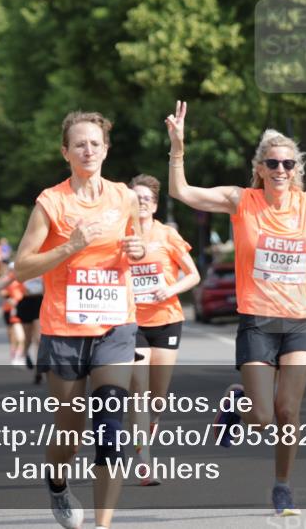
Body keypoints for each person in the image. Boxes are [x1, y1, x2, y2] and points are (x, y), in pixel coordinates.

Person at [165, 100, 306, 516]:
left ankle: (283, 487)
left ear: (295, 170)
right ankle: (238, 401)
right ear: (260, 168)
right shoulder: (240, 200)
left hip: (300, 320)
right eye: (273, 163)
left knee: (288, 411)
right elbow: (182, 192)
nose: (281, 170)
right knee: (262, 417)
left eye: (287, 164)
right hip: (258, 322)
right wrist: (178, 148)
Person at [14, 111, 146, 529]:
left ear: (106, 149)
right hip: (64, 331)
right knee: (68, 438)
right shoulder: (51, 202)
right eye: (79, 144)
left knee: (110, 427)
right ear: (65, 152)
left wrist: (137, 250)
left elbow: (135, 239)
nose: (88, 150)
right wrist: (70, 245)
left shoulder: (124, 196)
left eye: (95, 143)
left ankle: (102, 524)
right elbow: (22, 268)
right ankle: (56, 480)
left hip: (115, 327)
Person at [126, 173, 200, 486]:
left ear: (154, 205)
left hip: (167, 318)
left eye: (146, 199)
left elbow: (193, 275)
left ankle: (152, 423)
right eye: (136, 198)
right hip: (131, 323)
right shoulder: (119, 236)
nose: (141, 203)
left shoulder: (167, 235)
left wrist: (169, 290)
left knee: (157, 399)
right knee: (139, 395)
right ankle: (145, 462)